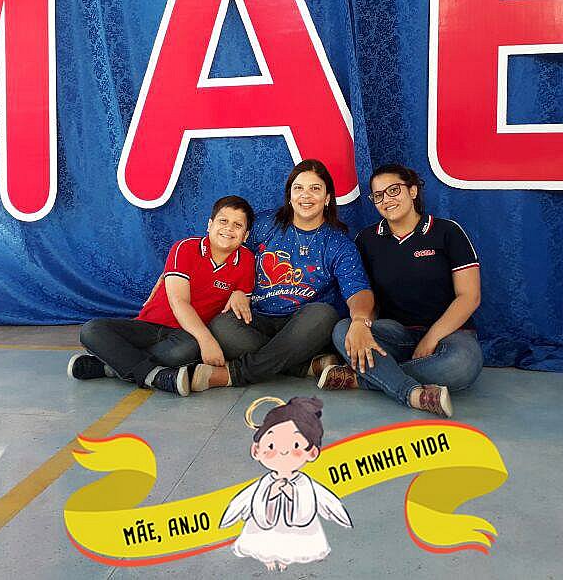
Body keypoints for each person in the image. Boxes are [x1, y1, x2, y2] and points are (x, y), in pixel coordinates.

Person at [193, 159, 373, 392]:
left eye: (315, 188)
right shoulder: (265, 224)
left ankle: (233, 374)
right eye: (298, 188)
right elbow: (229, 250)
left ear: (327, 197)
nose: (305, 195)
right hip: (256, 319)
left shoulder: (338, 242)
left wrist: (359, 319)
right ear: (290, 195)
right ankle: (301, 366)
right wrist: (238, 290)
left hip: (304, 326)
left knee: (323, 314)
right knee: (221, 324)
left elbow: (358, 290)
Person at [319, 164, 483, 418]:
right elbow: (366, 295)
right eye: (378, 195)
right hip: (396, 334)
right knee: (344, 330)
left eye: (394, 190)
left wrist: (431, 338)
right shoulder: (367, 239)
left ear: (413, 191)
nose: (387, 200)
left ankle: (365, 378)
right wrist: (362, 325)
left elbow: (470, 296)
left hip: (450, 335)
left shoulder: (448, 231)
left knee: (462, 365)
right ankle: (411, 393)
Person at [67, 195, 256, 396]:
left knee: (187, 350)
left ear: (245, 235)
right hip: (148, 326)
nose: (229, 228)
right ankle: (156, 376)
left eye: (237, 225)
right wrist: (207, 340)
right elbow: (179, 301)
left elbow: (242, 305)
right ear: (210, 225)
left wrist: (240, 294)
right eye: (223, 221)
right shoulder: (185, 248)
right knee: (92, 330)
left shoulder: (247, 260)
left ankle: (110, 366)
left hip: (184, 335)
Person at [220, 396, 351, 571]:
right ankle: (267, 556)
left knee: (293, 544)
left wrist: (292, 493)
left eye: (295, 445)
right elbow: (245, 501)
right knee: (263, 542)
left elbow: (320, 501)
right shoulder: (266, 483)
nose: (282, 451)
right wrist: (271, 493)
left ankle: (286, 558)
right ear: (256, 450)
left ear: (312, 452)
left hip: (298, 530)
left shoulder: (303, 483)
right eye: (271, 446)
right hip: (265, 527)